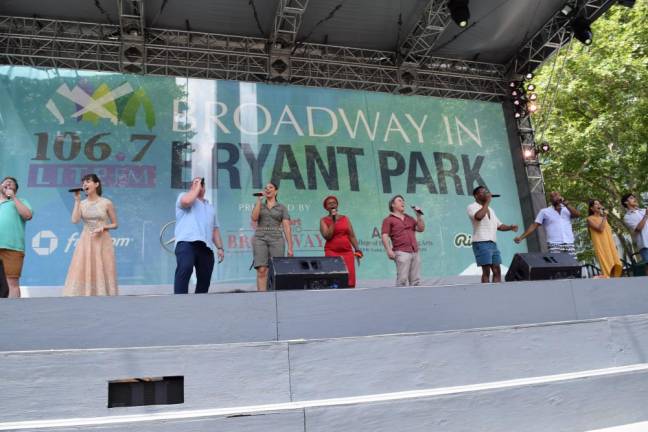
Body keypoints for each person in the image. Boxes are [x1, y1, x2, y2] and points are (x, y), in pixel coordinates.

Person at [63, 174, 118, 296]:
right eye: (83, 183)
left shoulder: (106, 203)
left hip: (103, 240)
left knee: (103, 266)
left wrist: (103, 227)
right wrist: (77, 201)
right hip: (86, 240)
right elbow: (75, 220)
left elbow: (115, 224)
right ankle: (85, 294)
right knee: (84, 266)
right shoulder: (82, 203)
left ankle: (104, 294)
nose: (85, 184)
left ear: (96, 184)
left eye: (88, 181)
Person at [173, 177, 225, 294]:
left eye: (201, 184)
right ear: (192, 186)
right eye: (195, 183)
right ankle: (179, 302)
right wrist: (195, 189)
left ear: (204, 188)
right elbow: (186, 202)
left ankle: (199, 305)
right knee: (185, 268)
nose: (198, 185)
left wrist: (220, 248)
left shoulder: (210, 207)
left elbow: (215, 229)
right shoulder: (184, 196)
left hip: (206, 246)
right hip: (187, 242)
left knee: (205, 278)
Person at [467, 186, 518, 283]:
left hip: (493, 243)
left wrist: (510, 227)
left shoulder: (491, 210)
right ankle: (486, 294)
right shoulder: (472, 206)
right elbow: (478, 217)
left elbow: (499, 226)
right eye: (483, 192)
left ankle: (496, 294)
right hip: (481, 242)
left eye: (486, 191)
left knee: (497, 270)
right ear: (476, 196)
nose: (486, 193)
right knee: (486, 271)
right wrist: (487, 202)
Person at [251, 182, 293, 291]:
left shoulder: (282, 207)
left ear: (276, 191)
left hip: (276, 238)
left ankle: (276, 297)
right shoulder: (260, 205)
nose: (268, 189)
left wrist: (290, 248)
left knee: (276, 270)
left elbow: (287, 227)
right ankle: (262, 299)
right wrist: (259, 201)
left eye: (271, 187)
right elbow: (254, 218)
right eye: (266, 188)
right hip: (260, 237)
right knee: (261, 269)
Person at [514, 191, 580, 256]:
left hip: (569, 242)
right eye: (552, 196)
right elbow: (534, 225)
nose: (554, 197)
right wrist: (521, 237)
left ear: (560, 196)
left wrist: (567, 204)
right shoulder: (545, 211)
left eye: (556, 195)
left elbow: (577, 215)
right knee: (558, 265)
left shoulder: (566, 209)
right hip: (554, 244)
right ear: (550, 200)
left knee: (572, 265)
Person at [381, 195, 425, 286]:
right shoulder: (388, 220)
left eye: (403, 201)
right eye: (400, 200)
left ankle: (416, 299)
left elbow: (421, 229)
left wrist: (419, 216)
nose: (403, 202)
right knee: (402, 280)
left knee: (416, 281)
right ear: (393, 204)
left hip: (414, 251)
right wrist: (388, 250)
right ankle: (400, 299)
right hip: (401, 252)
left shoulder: (409, 218)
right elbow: (385, 235)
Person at [0, 176, 33, 298]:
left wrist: (13, 197)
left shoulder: (21, 201)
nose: (8, 183)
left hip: (13, 248)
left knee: (11, 283)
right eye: (5, 182)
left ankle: (13, 313)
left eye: (12, 183)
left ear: (16, 190)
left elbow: (28, 215)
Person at [320, 195, 362, 288]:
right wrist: (333, 221)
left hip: (347, 252)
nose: (332, 205)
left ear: (337, 205)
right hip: (332, 252)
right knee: (334, 279)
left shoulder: (345, 218)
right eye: (329, 203)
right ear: (326, 207)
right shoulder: (324, 220)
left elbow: (352, 235)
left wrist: (357, 250)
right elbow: (327, 236)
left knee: (349, 279)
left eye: (334, 203)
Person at [587, 199, 622, 277]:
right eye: (596, 204)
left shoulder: (603, 218)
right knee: (608, 267)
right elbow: (600, 229)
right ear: (591, 208)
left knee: (617, 265)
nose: (599, 205)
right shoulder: (590, 219)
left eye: (599, 203)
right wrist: (605, 216)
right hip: (602, 246)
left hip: (610, 246)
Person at [621, 193, 648, 263]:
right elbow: (638, 229)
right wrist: (646, 215)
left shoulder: (643, 210)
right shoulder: (627, 217)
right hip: (645, 246)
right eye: (631, 198)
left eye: (634, 197)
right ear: (626, 202)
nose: (635, 199)